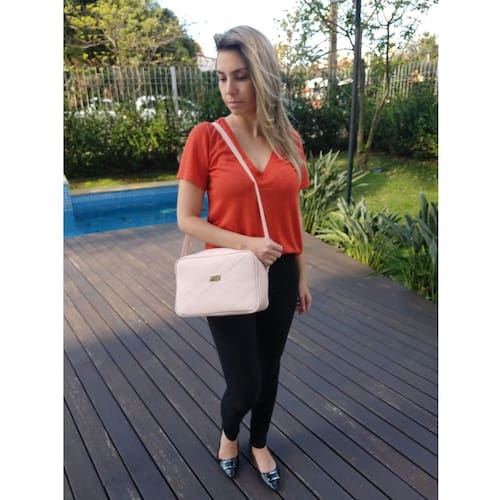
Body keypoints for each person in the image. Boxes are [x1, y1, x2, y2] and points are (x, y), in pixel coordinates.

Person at [176, 25, 312, 492]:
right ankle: (229, 434)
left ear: (263, 77)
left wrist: (301, 276)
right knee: (245, 382)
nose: (229, 89)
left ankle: (260, 442)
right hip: (228, 274)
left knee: (270, 368)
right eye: (221, 78)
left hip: (281, 272)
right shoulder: (206, 138)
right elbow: (187, 220)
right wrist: (247, 243)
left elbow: (292, 215)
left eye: (240, 77)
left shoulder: (289, 141)